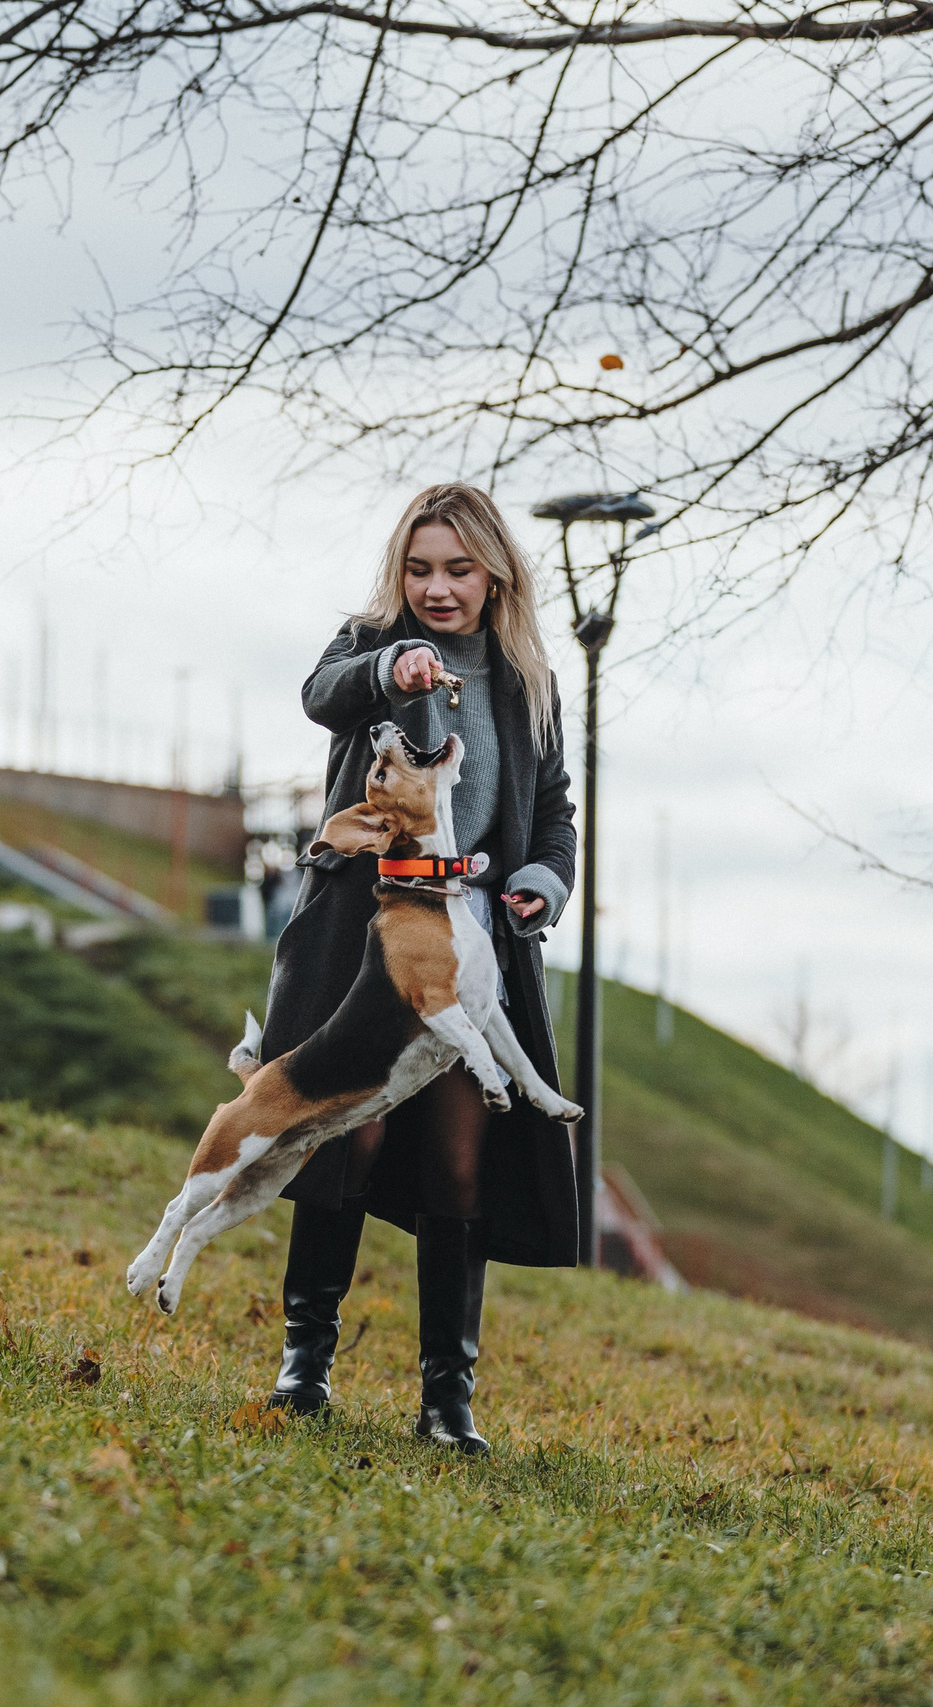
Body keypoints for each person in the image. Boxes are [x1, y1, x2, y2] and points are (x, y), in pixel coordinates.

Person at [258, 482, 580, 1454]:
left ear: (495, 575)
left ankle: (448, 1403)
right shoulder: (367, 646)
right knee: (342, 1135)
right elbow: (322, 699)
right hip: (369, 935)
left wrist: (540, 880)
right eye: (419, 567)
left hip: (477, 942)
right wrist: (393, 673)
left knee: (458, 1160)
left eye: (457, 569)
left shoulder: (527, 680)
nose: (437, 588)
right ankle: (303, 1363)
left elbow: (556, 810)